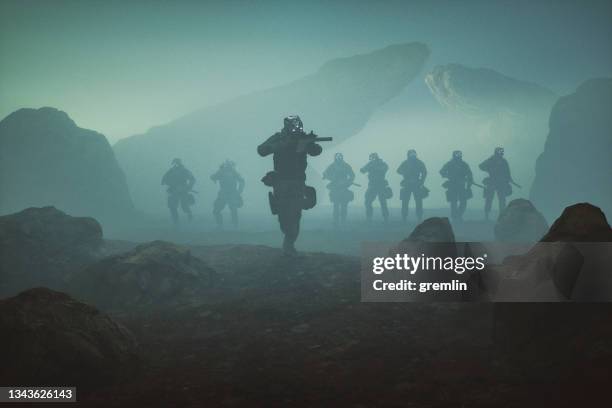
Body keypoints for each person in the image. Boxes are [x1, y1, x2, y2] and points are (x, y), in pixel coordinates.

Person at [258, 115, 325, 256]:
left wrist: (309, 143)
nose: (297, 129)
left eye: (299, 126)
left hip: (298, 181)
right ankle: (278, 209)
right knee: (284, 217)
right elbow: (262, 150)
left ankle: (289, 245)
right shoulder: (279, 137)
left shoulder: (302, 138)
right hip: (281, 181)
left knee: (295, 215)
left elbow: (316, 151)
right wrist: (282, 144)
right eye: (294, 126)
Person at [479, 147, 513, 220]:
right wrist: (489, 169)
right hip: (492, 181)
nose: (501, 153)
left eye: (502, 152)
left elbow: (508, 172)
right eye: (500, 152)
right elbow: (481, 166)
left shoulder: (504, 161)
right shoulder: (491, 160)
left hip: (501, 183)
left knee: (502, 199)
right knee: (489, 198)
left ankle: (502, 216)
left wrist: (509, 178)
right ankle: (486, 215)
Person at [322, 153, 356, 226]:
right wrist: (332, 179)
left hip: (344, 187)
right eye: (338, 157)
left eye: (340, 157)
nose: (339, 158)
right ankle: (336, 221)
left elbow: (352, 175)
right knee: (336, 205)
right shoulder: (332, 166)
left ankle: (343, 221)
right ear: (335, 158)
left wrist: (348, 182)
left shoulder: (346, 166)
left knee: (344, 205)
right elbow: (325, 174)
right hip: (335, 187)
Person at [440, 150, 473, 221]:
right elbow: (442, 171)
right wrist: (448, 176)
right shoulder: (449, 164)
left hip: (461, 185)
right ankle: (454, 217)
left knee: (463, 202)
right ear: (454, 155)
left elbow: (469, 174)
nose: (458, 156)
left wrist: (469, 183)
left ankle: (459, 215)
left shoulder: (464, 164)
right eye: (457, 155)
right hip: (452, 185)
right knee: (453, 202)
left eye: (459, 154)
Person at [210, 159, 245, 227]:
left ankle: (234, 225)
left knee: (233, 209)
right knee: (217, 210)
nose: (228, 167)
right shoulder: (222, 171)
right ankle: (221, 225)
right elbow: (212, 177)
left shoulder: (233, 172)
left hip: (231, 194)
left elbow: (242, 181)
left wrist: (239, 192)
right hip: (224, 194)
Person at [397, 149, 428, 222]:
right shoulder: (405, 162)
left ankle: (419, 217)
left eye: (414, 154)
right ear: (408, 155)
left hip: (416, 184)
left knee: (418, 201)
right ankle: (404, 217)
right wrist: (405, 173)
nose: (413, 155)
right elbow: (398, 170)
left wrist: (421, 181)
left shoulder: (419, 162)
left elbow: (424, 172)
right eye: (411, 154)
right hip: (407, 184)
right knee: (405, 201)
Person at [161, 158, 196, 224]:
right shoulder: (171, 171)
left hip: (183, 191)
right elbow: (164, 179)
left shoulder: (184, 171)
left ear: (179, 164)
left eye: (176, 163)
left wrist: (187, 187)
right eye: (174, 164)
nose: (175, 165)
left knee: (184, 206)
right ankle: (176, 222)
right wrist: (166, 182)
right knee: (172, 206)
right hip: (173, 191)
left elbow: (193, 179)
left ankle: (189, 215)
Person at [360, 153, 391, 222]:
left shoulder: (382, 163)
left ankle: (386, 218)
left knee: (383, 202)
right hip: (373, 185)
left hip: (381, 185)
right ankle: (369, 217)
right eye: (371, 158)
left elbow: (385, 168)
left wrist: (373, 167)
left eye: (373, 158)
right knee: (368, 201)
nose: (372, 159)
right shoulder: (370, 164)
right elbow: (362, 170)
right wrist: (368, 167)